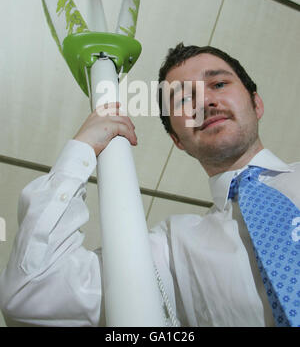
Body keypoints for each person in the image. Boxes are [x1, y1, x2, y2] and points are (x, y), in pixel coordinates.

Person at [0, 43, 299, 327]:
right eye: (184, 99)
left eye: (219, 84)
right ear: (177, 140)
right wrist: (81, 150)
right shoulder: (170, 252)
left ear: (256, 103)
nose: (205, 102)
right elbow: (30, 290)